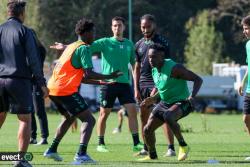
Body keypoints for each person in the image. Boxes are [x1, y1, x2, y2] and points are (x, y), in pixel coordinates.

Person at [43, 18, 122, 164]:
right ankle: (81, 155)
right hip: (65, 89)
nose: (94, 36)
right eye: (93, 32)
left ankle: (51, 150)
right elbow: (89, 74)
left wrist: (101, 82)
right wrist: (109, 75)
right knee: (89, 120)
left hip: (52, 89)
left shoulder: (72, 46)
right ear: (86, 33)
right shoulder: (84, 48)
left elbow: (82, 77)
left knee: (70, 118)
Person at [0, 1, 49, 167]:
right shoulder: (25, 31)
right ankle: (19, 160)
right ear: (22, 14)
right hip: (19, 81)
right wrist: (41, 83)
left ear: (9, 13)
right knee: (25, 120)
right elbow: (34, 60)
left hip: (0, 80)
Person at [139, 44, 202, 161]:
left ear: (162, 56)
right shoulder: (154, 70)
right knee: (147, 130)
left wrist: (192, 96)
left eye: (154, 57)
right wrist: (152, 98)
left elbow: (198, 79)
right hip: (165, 102)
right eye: (149, 57)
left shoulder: (174, 68)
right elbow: (162, 88)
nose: (150, 60)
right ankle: (152, 157)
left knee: (168, 116)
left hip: (183, 102)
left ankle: (183, 146)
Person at [91, 16, 143, 152]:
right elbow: (86, 46)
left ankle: (136, 143)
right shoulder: (105, 42)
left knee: (132, 110)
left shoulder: (129, 44)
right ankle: (100, 144)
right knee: (104, 113)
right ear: (111, 27)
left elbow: (133, 65)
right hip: (108, 84)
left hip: (124, 84)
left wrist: (136, 86)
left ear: (124, 27)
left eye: (119, 25)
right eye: (114, 25)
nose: (117, 28)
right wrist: (68, 47)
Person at [134, 14, 175, 156]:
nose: (145, 30)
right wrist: (136, 89)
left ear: (154, 26)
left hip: (157, 84)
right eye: (143, 27)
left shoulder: (162, 43)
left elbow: (167, 67)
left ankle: (171, 148)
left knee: (162, 116)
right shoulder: (138, 44)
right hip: (142, 86)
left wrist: (157, 87)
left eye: (148, 27)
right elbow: (137, 68)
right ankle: (146, 147)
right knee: (143, 117)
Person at [29, 30, 49, 145]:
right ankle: (32, 137)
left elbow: (36, 67)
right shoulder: (28, 50)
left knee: (39, 110)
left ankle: (44, 137)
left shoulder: (40, 50)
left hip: (37, 83)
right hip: (28, 82)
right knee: (29, 110)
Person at [238, 15, 250, 161]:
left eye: (247, 28)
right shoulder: (248, 45)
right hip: (249, 89)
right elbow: (249, 66)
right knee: (246, 118)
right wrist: (243, 81)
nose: (245, 31)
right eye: (244, 29)